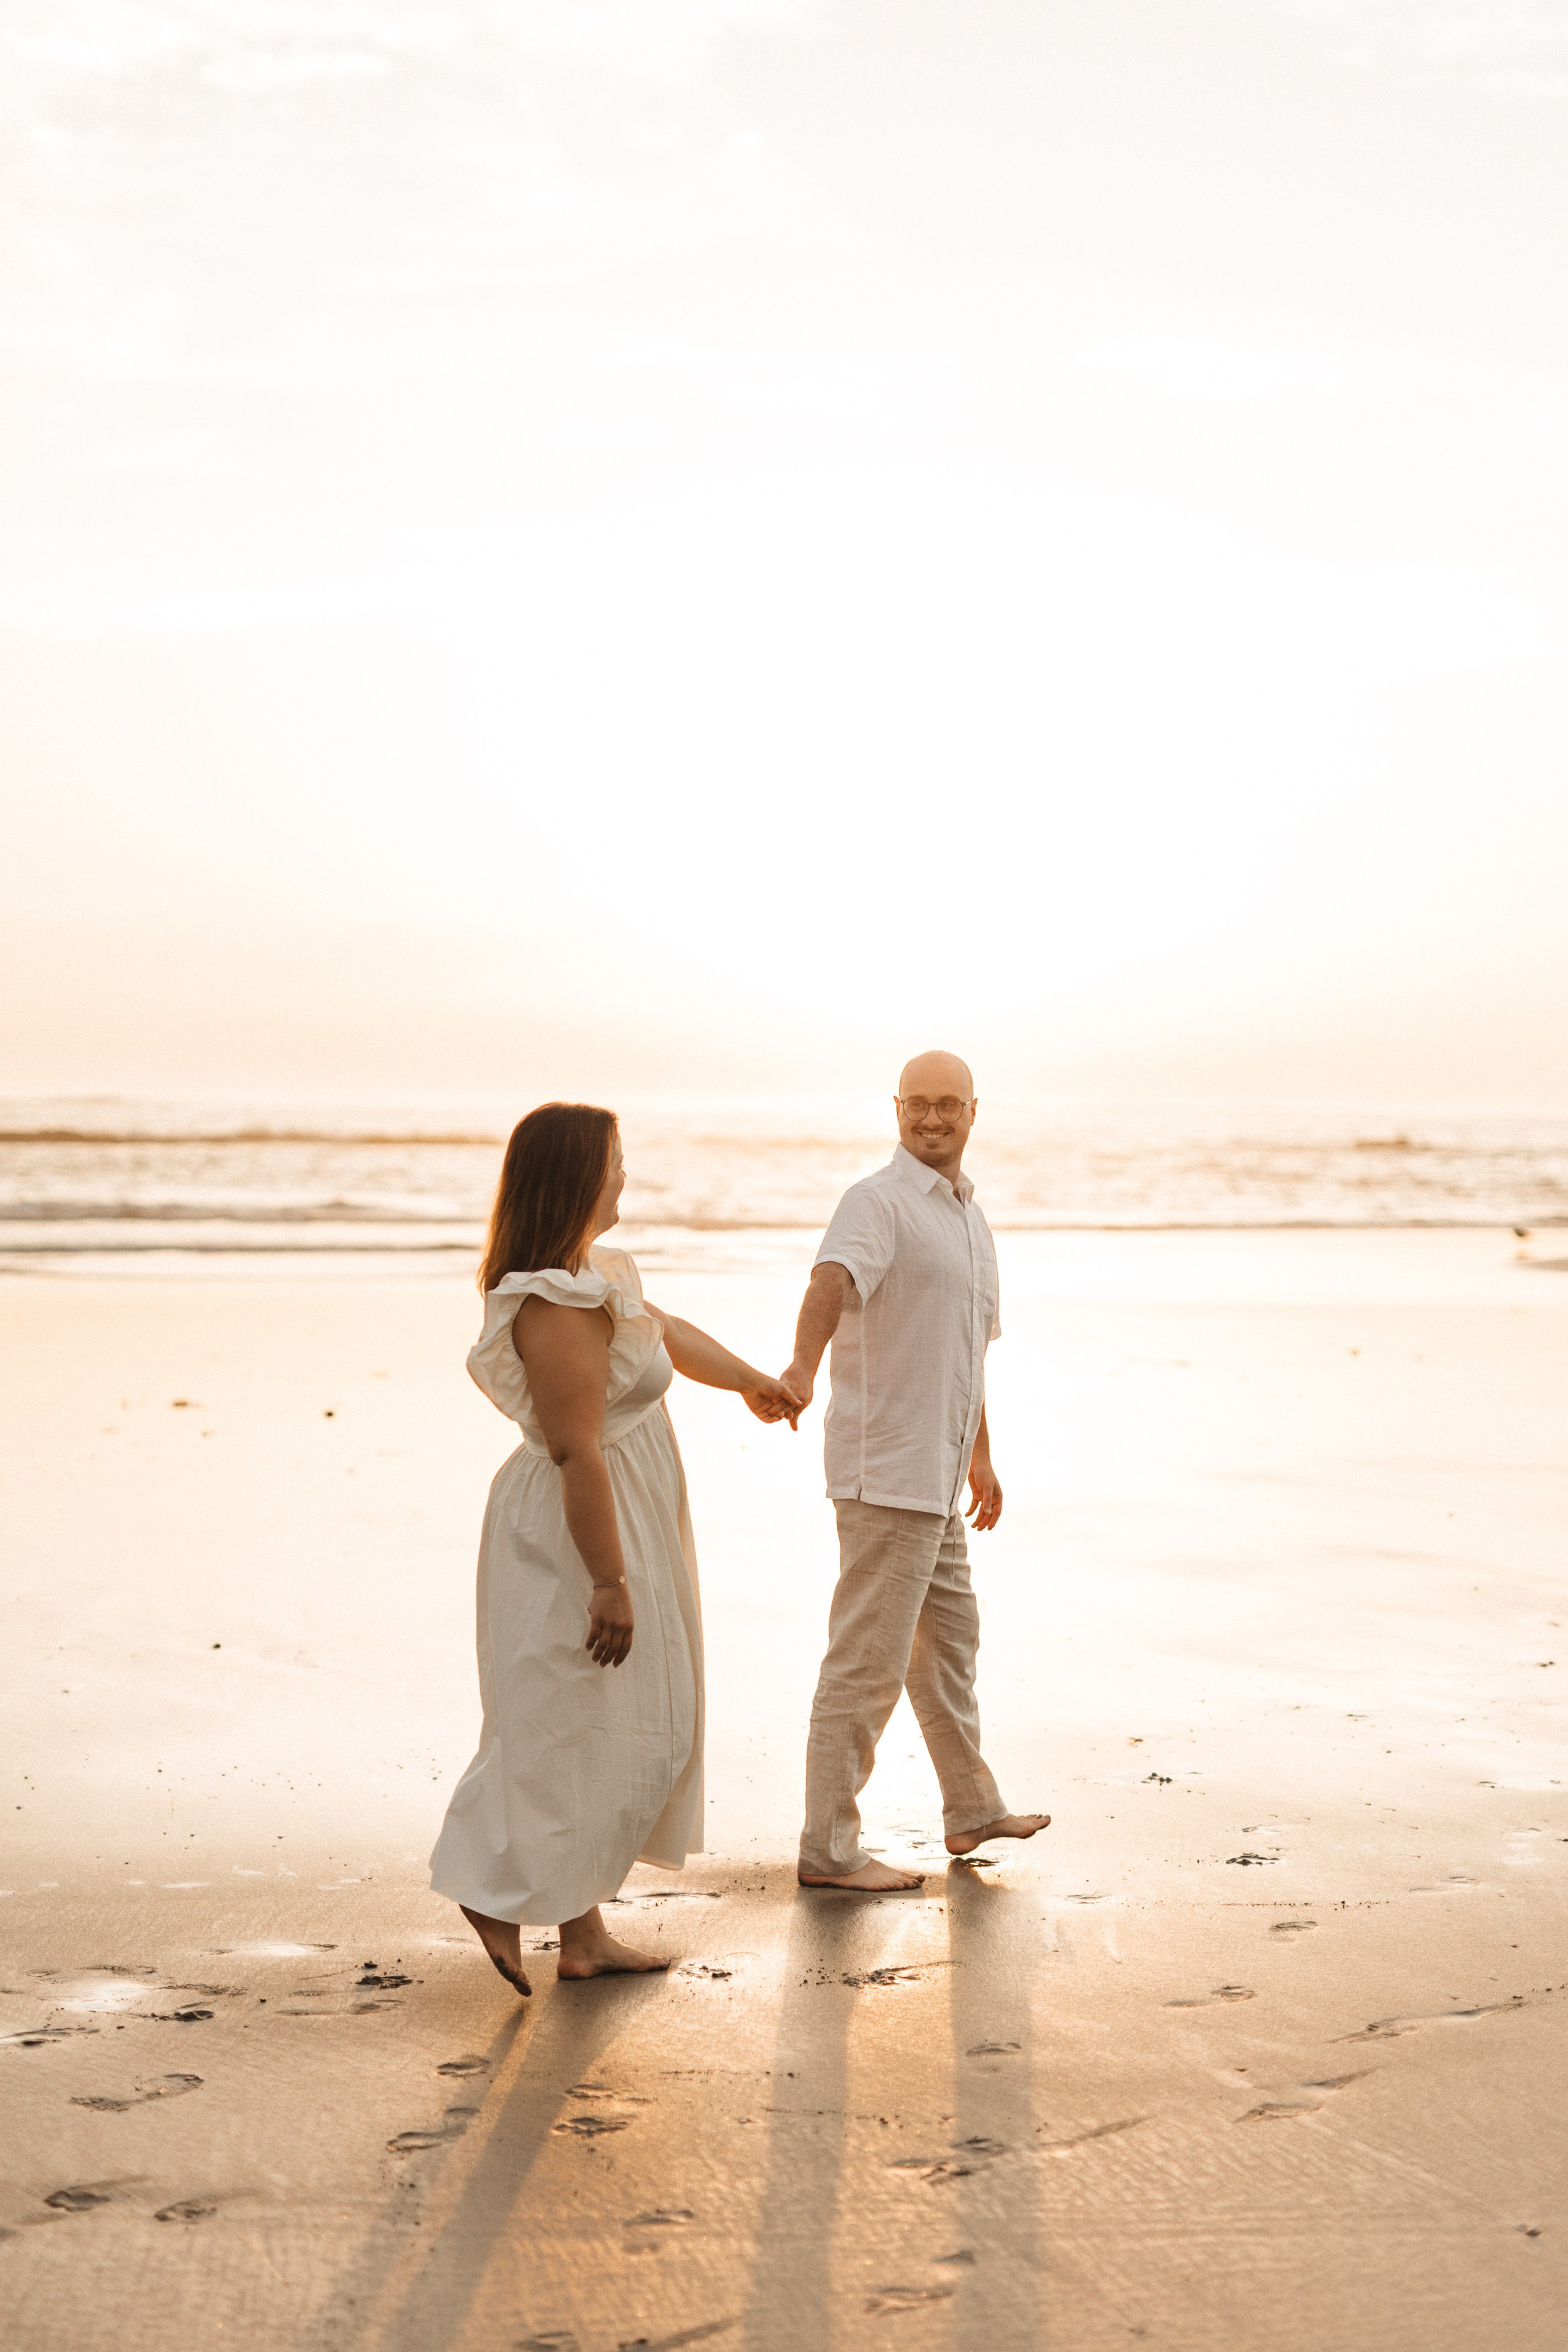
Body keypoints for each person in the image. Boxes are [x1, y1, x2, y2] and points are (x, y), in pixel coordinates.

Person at [431, 1101, 799, 1992]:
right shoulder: (551, 1304)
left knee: (610, 1719)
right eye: (616, 1160)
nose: (627, 1172)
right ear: (577, 1176)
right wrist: (608, 1581)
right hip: (577, 1530)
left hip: (623, 1514)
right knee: (564, 1717)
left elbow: (665, 1335)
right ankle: (491, 1887)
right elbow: (575, 1449)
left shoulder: (596, 1273)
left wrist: (751, 1379)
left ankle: (583, 1935)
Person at [780, 1052, 1049, 1893]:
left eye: (948, 1106)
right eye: (918, 1106)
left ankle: (970, 1807)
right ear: (896, 1109)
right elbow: (829, 1281)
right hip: (885, 1469)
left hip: (938, 1475)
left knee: (948, 1649)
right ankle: (828, 1850)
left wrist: (981, 1452)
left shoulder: (970, 1219)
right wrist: (799, 1369)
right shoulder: (878, 1202)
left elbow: (966, 1352)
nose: (932, 1119)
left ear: (974, 1112)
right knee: (865, 1664)